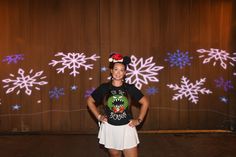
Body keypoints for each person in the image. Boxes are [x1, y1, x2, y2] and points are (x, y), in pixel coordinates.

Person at [87, 53, 149, 157]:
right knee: (115, 155)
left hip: (127, 128)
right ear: (111, 70)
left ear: (125, 73)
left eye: (121, 70)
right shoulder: (104, 88)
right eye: (116, 69)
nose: (118, 73)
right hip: (110, 129)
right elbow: (89, 101)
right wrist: (98, 116)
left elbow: (145, 102)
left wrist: (139, 120)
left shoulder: (129, 88)